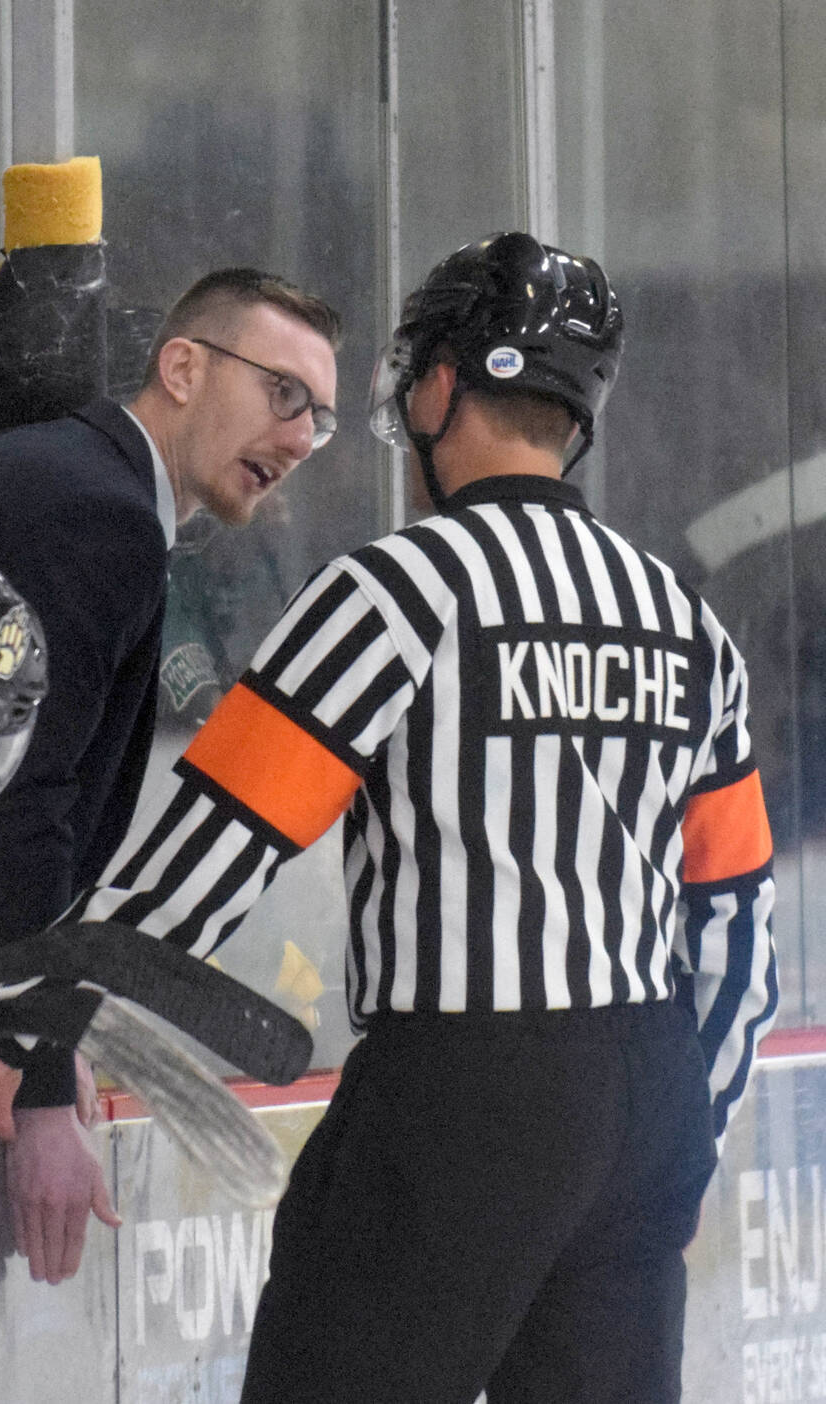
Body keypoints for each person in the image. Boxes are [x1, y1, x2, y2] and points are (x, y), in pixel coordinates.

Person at [77, 232, 777, 1403]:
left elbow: (208, 853)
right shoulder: (678, 619)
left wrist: (41, 1028)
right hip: (648, 1096)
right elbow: (736, 923)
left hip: (463, 1092)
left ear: (440, 387)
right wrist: (676, 1123)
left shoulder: (394, 588)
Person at [0, 267, 342, 1283]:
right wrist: (38, 1078)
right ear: (180, 366)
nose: (301, 439)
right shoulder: (95, 510)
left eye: (320, 417)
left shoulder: (75, 483)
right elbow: (16, 803)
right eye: (282, 394)